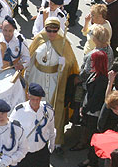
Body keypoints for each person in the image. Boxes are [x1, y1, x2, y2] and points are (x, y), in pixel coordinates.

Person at [27, 17, 79, 149]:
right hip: (37, 77)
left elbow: (71, 62)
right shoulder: (39, 38)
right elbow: (30, 57)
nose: (51, 34)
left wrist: (64, 63)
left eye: (54, 31)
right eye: (48, 30)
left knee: (52, 109)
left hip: (55, 80)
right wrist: (26, 75)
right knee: (36, 107)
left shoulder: (63, 42)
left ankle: (55, 140)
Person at [9, 83, 55, 167]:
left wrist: (52, 145)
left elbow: (51, 128)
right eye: (33, 99)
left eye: (37, 99)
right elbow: (11, 131)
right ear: (28, 96)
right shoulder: (19, 111)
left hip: (41, 150)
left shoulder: (47, 110)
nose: (35, 102)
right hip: (25, 152)